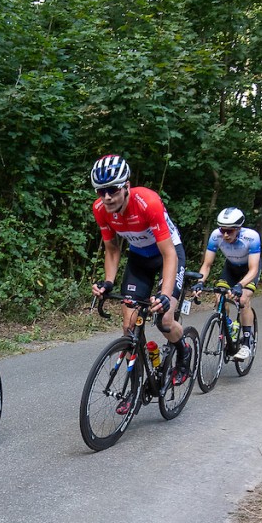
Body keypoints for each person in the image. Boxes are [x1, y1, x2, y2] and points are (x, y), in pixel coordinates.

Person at [89, 154, 192, 394]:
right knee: (128, 328)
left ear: (126, 186)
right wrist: (108, 282)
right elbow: (112, 249)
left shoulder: (148, 202)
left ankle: (183, 351)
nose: (106, 197)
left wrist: (165, 295)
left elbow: (169, 255)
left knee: (164, 320)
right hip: (139, 258)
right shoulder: (101, 210)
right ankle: (133, 390)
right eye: (100, 191)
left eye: (112, 190)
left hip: (168, 254)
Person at [194, 207, 261, 362]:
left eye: (229, 231)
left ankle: (246, 343)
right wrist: (200, 282)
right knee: (220, 297)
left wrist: (240, 285)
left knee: (243, 299)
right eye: (222, 230)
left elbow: (254, 269)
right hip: (230, 268)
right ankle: (229, 326)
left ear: (238, 229)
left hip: (248, 271)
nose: (225, 234)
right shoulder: (215, 236)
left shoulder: (251, 237)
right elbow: (207, 264)